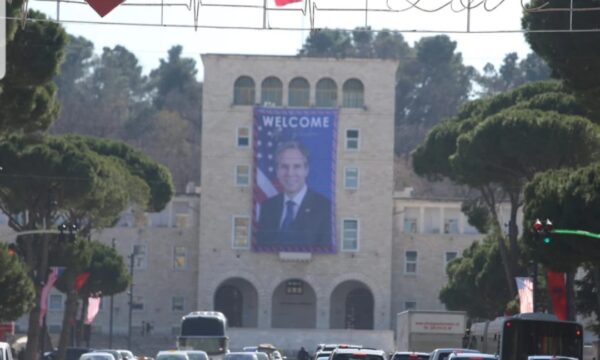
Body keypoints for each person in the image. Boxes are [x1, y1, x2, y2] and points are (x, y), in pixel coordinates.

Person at [256, 141, 332, 247]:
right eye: (284, 167)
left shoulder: (325, 208)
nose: (290, 173)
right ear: (277, 171)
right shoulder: (267, 207)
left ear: (306, 170)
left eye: (296, 166)